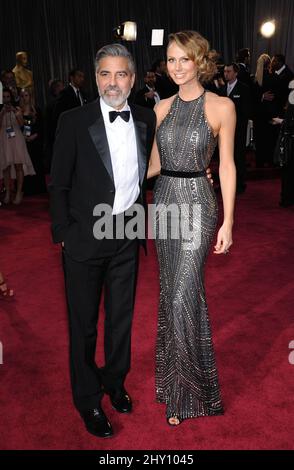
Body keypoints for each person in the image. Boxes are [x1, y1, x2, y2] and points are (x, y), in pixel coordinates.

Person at [49, 44, 156, 438]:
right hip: (84, 237)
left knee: (121, 320)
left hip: (127, 232)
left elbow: (151, 169)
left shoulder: (145, 118)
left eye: (122, 74)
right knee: (84, 326)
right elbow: (58, 182)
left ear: (133, 78)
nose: (114, 82)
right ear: (96, 78)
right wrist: (63, 233)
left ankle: (115, 380)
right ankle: (88, 400)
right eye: (106, 74)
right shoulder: (74, 121)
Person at [147, 30, 236, 426]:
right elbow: (149, 166)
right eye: (171, 60)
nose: (177, 67)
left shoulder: (221, 106)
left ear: (200, 61)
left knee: (184, 292)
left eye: (184, 59)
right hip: (164, 199)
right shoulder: (160, 108)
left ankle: (189, 395)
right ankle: (171, 382)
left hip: (198, 201)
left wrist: (228, 220)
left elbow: (228, 166)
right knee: (170, 293)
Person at [219, 63, 252, 193]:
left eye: (228, 71)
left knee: (238, 156)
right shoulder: (222, 89)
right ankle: (225, 184)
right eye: (225, 71)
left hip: (238, 130)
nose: (226, 73)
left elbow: (246, 110)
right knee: (225, 157)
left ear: (236, 73)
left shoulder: (243, 88)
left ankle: (239, 184)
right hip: (223, 131)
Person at [0, 88, 35, 205]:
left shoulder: (17, 109)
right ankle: (8, 192)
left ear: (11, 98)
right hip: (4, 139)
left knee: (18, 165)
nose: (6, 99)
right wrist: (2, 113)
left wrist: (16, 113)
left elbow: (22, 125)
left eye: (7, 97)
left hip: (17, 139)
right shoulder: (1, 111)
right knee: (5, 167)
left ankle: (19, 192)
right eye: (3, 97)